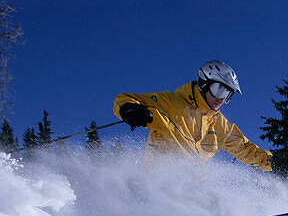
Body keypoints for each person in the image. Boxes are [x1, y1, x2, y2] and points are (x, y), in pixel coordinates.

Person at [114, 60, 273, 171]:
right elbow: (124, 99)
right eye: (219, 90)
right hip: (158, 183)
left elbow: (244, 149)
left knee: (217, 207)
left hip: (192, 190)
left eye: (227, 94)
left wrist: (272, 162)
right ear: (204, 83)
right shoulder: (172, 103)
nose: (221, 99)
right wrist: (130, 109)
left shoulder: (218, 124)